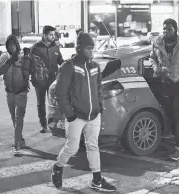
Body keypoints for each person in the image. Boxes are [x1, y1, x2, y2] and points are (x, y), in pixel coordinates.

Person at [51, 32, 116, 192]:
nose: (91, 51)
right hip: (76, 116)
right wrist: (69, 114)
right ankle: (58, 167)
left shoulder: (95, 66)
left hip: (94, 115)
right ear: (79, 48)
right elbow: (60, 93)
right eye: (88, 48)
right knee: (72, 148)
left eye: (92, 48)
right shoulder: (68, 66)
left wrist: (99, 106)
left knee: (93, 146)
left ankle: (97, 180)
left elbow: (98, 88)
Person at [150, 18, 179, 161]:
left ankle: (178, 147)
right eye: (164, 28)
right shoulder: (157, 43)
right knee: (170, 116)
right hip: (166, 82)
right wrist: (157, 69)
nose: (165, 31)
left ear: (175, 30)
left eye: (169, 29)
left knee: (177, 115)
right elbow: (152, 59)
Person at [0, 35, 32, 156]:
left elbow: (28, 73)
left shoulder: (23, 57)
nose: (12, 47)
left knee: (18, 119)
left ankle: (16, 145)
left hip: (21, 92)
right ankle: (20, 140)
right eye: (9, 45)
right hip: (9, 93)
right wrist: (10, 60)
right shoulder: (5, 56)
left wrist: (27, 57)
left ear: (17, 45)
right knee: (14, 119)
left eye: (14, 44)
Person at [31, 25, 64, 133]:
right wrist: (32, 77)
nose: (53, 36)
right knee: (41, 103)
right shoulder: (35, 48)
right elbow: (29, 64)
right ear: (44, 35)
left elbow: (60, 61)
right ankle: (43, 125)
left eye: (54, 34)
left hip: (53, 81)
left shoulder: (55, 47)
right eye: (50, 34)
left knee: (55, 103)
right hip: (40, 81)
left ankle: (55, 123)